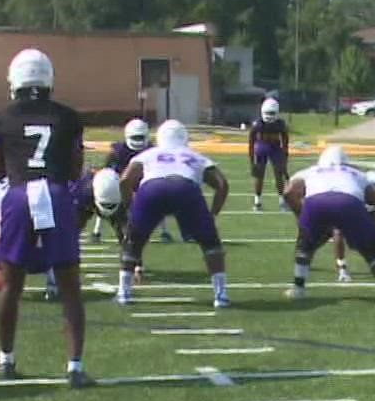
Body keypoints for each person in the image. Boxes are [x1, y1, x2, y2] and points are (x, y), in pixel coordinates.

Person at [0, 48, 90, 386]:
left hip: (18, 197)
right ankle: (74, 366)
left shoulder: (2, 119)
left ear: (15, 79)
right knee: (70, 287)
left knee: (10, 284)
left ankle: (6, 359)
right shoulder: (68, 117)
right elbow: (75, 168)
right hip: (57, 195)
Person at [116, 119, 231, 308]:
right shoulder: (194, 155)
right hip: (185, 189)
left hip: (151, 190)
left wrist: (132, 207)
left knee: (133, 241)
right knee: (211, 244)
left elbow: (125, 180)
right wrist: (212, 214)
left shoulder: (149, 153)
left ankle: (123, 292)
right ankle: (221, 295)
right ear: (184, 137)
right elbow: (222, 184)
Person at [285, 146, 375, 307]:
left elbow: (288, 191)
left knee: (305, 245)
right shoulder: (358, 174)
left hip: (316, 203)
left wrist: (301, 216)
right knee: (371, 250)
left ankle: (298, 288)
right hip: (349, 203)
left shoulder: (310, 171)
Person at [330, 168, 375, 283]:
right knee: (338, 231)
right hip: (350, 205)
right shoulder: (351, 191)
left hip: (363, 207)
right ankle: (342, 268)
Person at [93, 118, 150, 243]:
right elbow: (106, 172)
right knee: (106, 193)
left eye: (140, 137)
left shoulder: (151, 149)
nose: (138, 141)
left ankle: (163, 230)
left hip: (142, 182)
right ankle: (97, 230)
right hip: (121, 183)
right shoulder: (118, 151)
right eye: (135, 137)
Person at [249, 97, 292, 212]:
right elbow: (251, 142)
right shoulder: (257, 124)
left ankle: (282, 201)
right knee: (259, 175)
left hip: (275, 148)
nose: (269, 115)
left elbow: (285, 141)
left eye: (272, 113)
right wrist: (251, 161)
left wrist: (285, 158)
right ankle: (257, 201)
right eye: (268, 113)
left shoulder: (280, 124)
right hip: (261, 147)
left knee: (279, 174)